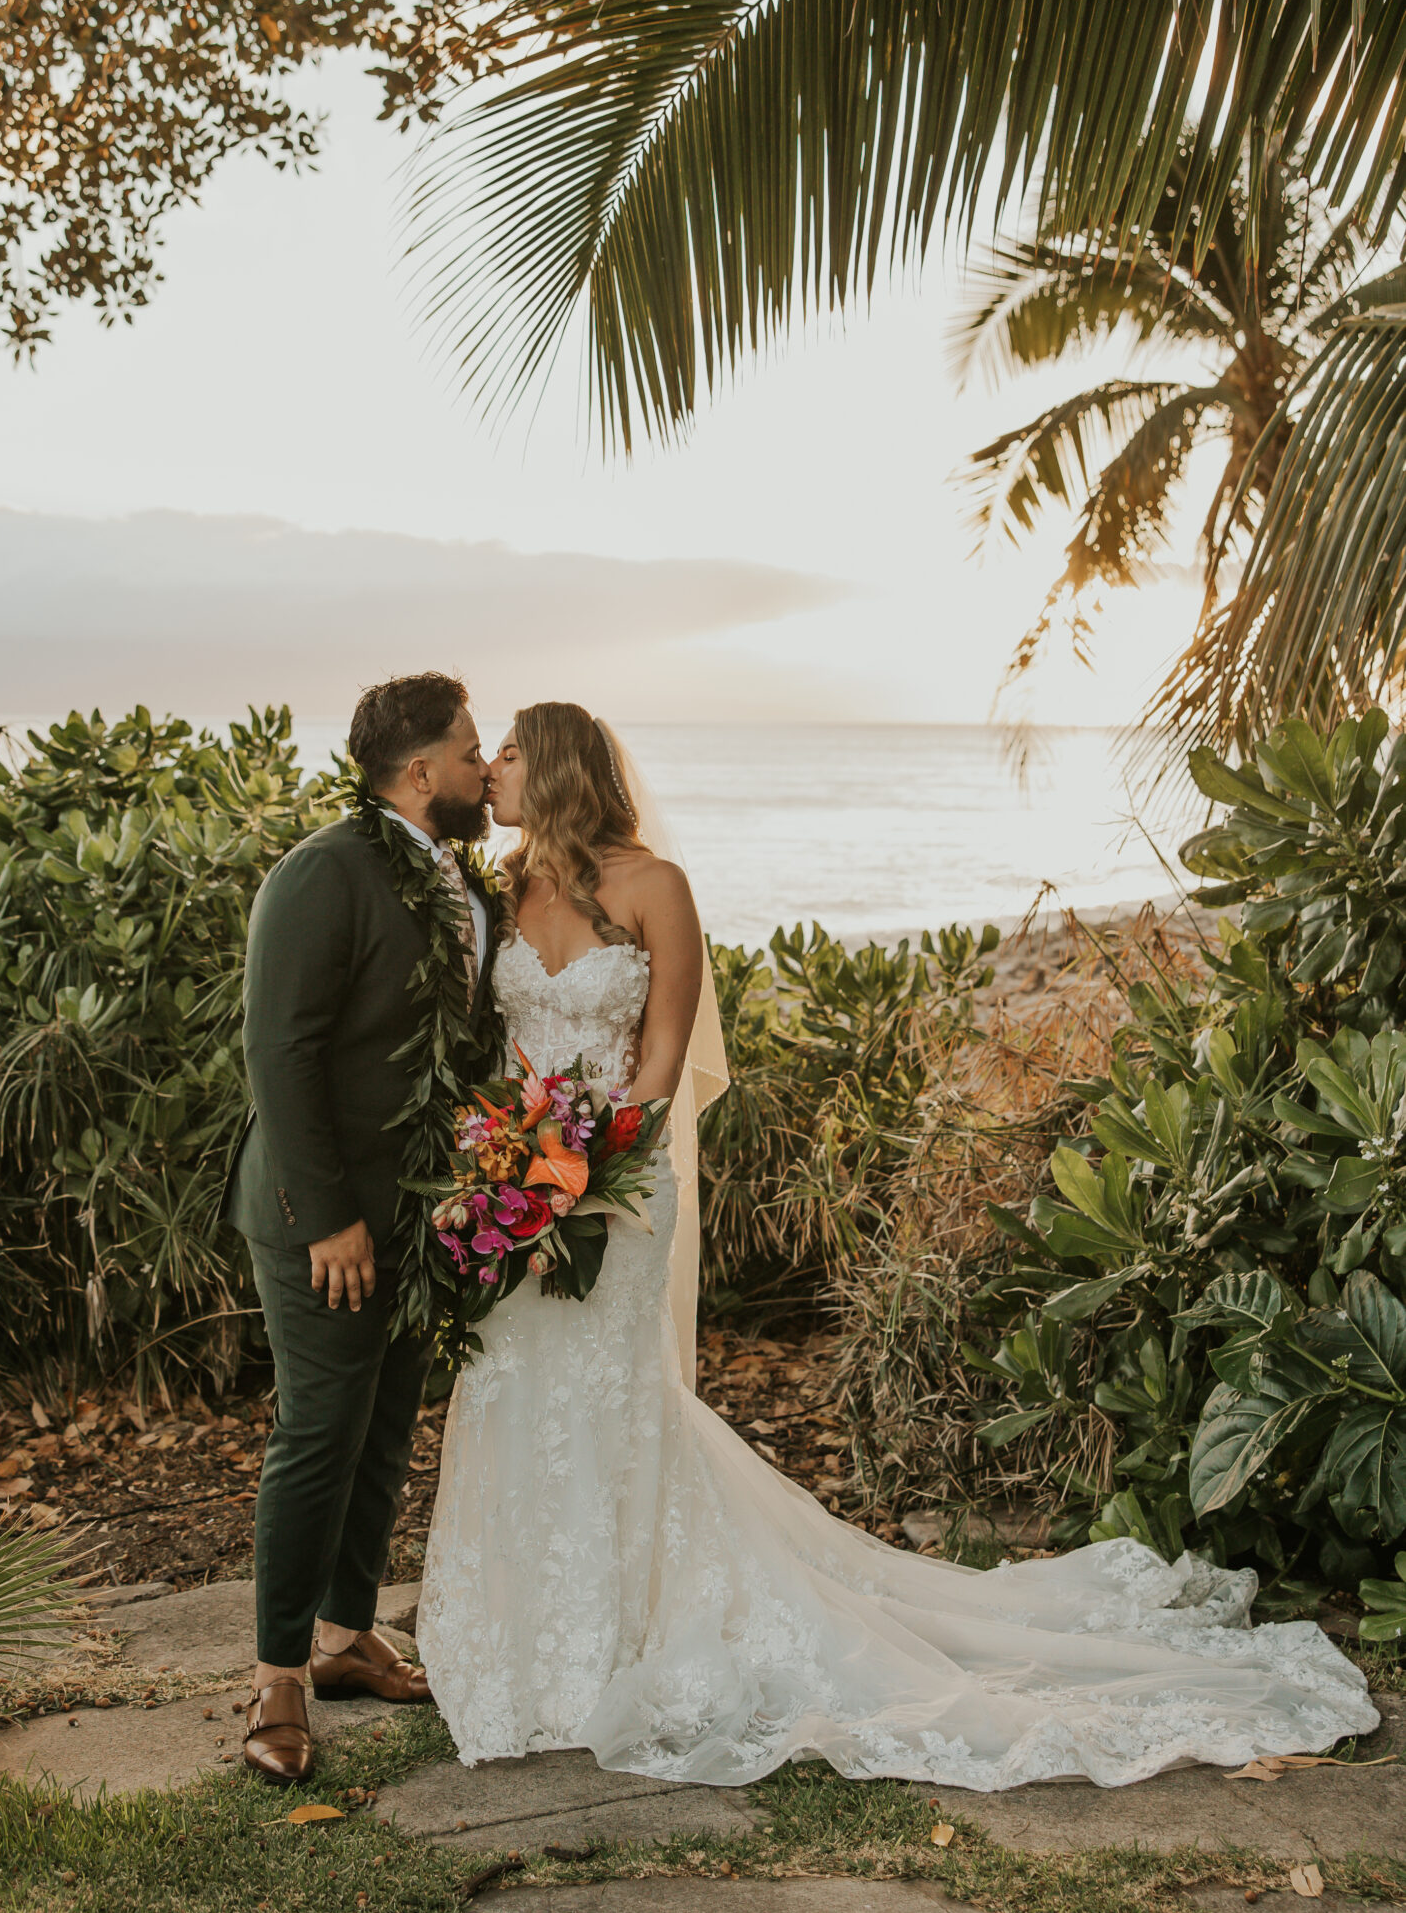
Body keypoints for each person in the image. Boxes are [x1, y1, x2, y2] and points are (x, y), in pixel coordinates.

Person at [417, 702, 1378, 1789]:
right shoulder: (500, 892)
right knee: (511, 1391)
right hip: (512, 1196)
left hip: (620, 1194)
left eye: (504, 751)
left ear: (554, 766)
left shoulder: (655, 888)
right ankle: (522, 1642)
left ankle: (618, 1636)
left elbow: (661, 1059)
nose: (486, 768)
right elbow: (489, 1052)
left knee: (611, 1402)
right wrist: (503, 1171)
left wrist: (581, 1177)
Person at [223, 671, 499, 1785]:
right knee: (320, 1429)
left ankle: (345, 1635)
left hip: (421, 1211)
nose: (486, 770)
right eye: (474, 752)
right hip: (317, 1215)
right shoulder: (321, 873)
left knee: (385, 1425)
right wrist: (332, 1216)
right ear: (421, 770)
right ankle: (276, 1673)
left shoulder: (458, 877)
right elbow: (277, 1053)